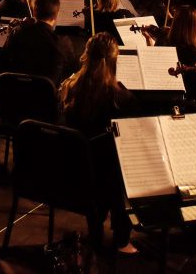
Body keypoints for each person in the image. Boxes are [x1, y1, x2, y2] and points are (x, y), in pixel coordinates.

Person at [59, 33, 137, 254]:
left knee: (102, 158)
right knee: (124, 162)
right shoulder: (121, 98)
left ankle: (95, 231)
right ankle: (122, 239)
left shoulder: (70, 87)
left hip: (73, 170)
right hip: (106, 178)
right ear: (114, 59)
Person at [2, 0, 77, 84]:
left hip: (14, 92)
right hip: (46, 96)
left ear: (34, 11)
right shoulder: (63, 43)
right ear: (57, 14)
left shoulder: (17, 32)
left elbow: (3, 61)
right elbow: (71, 72)